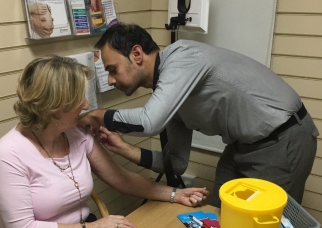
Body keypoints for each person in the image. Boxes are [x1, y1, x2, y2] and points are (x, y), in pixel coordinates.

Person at [0, 55, 208, 228]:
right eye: (77, 99)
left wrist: (174, 194)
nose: (85, 105)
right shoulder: (9, 152)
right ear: (54, 106)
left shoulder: (75, 133)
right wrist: (92, 227)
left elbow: (121, 179)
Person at [79, 23, 319, 207]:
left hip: (283, 137)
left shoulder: (183, 58)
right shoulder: (170, 96)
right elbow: (177, 164)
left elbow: (149, 122)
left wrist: (99, 115)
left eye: (113, 70)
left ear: (137, 54)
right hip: (241, 146)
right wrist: (122, 148)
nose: (110, 80)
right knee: (220, 219)